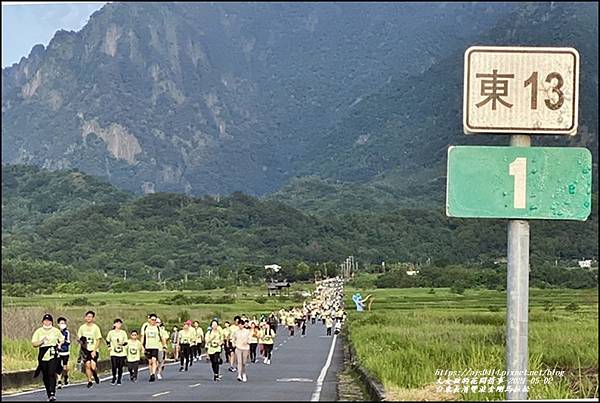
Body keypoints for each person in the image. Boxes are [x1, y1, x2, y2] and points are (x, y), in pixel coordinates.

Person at [32, 314, 64, 402]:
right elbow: (34, 343)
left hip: (53, 353)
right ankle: (48, 393)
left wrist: (60, 344)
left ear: (51, 322)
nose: (47, 322)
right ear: (42, 322)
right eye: (45, 321)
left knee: (51, 372)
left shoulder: (56, 331)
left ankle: (53, 393)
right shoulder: (39, 331)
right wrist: (41, 342)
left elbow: (62, 339)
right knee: (45, 375)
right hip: (43, 354)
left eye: (49, 321)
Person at [77, 310, 102, 388]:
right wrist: (81, 341)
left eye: (90, 317)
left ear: (93, 318)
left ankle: (95, 374)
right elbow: (79, 338)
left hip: (93, 349)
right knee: (87, 365)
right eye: (87, 316)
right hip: (85, 349)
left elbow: (98, 339)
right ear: (85, 317)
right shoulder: (82, 327)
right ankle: (89, 381)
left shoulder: (96, 328)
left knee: (93, 366)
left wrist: (94, 350)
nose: (89, 318)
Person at [140, 313, 166, 382]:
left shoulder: (157, 328)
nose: (153, 321)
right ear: (149, 320)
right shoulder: (145, 327)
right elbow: (142, 337)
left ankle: (153, 374)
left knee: (154, 360)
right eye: (152, 320)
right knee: (150, 361)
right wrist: (142, 346)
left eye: (155, 320)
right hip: (148, 346)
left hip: (155, 346)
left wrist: (164, 345)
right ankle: (151, 373)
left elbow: (162, 337)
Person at [106, 318, 128, 385]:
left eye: (120, 323)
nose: (119, 325)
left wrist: (122, 344)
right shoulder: (111, 333)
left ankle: (119, 379)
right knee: (114, 366)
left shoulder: (123, 333)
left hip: (122, 352)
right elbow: (107, 340)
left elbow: (126, 342)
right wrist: (109, 347)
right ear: (114, 324)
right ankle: (114, 377)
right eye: (117, 323)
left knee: (120, 367)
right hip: (113, 352)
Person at [56, 317, 70, 389]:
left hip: (65, 351)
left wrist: (63, 342)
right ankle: (59, 381)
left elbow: (68, 341)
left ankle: (66, 376)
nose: (62, 325)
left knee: (65, 367)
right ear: (58, 324)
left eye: (64, 323)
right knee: (58, 366)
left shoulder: (67, 332)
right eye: (61, 323)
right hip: (58, 352)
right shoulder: (56, 332)